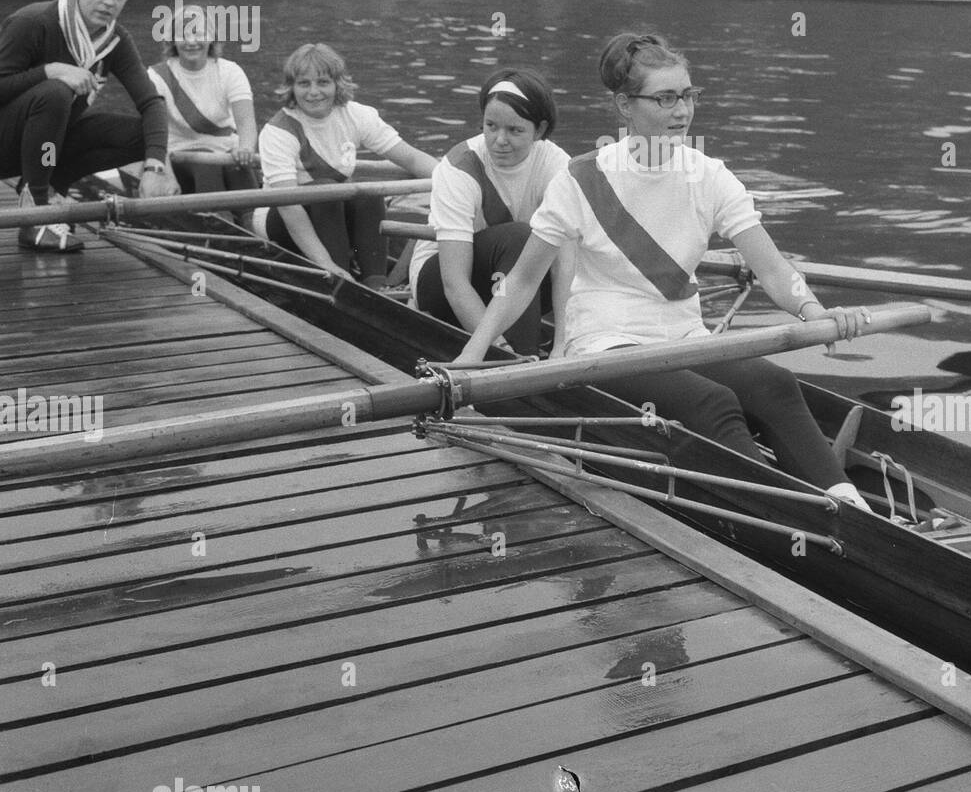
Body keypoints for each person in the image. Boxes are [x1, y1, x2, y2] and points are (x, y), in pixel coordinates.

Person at [454, 31, 875, 509]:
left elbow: (776, 272)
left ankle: (848, 505)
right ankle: (790, 514)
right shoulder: (581, 178)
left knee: (774, 385)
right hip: (605, 346)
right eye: (666, 98)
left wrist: (814, 311)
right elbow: (523, 281)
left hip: (684, 339)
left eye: (688, 95)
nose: (683, 111)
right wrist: (470, 361)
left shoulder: (710, 175)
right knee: (711, 403)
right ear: (624, 106)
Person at [0, 0, 179, 252]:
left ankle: (53, 185)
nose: (110, 2)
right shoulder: (32, 22)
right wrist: (50, 70)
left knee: (142, 135)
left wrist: (155, 165)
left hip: (42, 148)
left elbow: (152, 103)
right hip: (4, 141)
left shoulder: (116, 41)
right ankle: (35, 214)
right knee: (56, 91)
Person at [411, 69, 571, 355]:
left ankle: (533, 351)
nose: (499, 140)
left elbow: (565, 267)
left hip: (512, 283)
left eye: (515, 130)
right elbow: (454, 283)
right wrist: (498, 351)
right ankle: (522, 356)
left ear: (541, 130)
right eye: (491, 126)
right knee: (523, 238)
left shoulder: (556, 165)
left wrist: (562, 343)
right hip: (442, 285)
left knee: (565, 252)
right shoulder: (460, 166)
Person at [253, 43, 437, 286]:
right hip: (281, 219)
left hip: (331, 211)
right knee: (327, 190)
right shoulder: (279, 131)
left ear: (337, 84)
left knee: (369, 194)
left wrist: (453, 181)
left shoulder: (355, 115)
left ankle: (376, 283)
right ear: (292, 87)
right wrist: (325, 263)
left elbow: (411, 158)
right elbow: (289, 208)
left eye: (322, 82)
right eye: (304, 83)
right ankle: (339, 278)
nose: (314, 92)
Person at [148, 16, 258, 196]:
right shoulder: (156, 77)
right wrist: (165, 175)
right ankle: (218, 220)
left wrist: (245, 148)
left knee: (239, 169)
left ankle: (253, 217)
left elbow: (246, 123)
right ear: (172, 41)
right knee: (207, 168)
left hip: (227, 152)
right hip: (177, 154)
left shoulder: (230, 71)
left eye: (198, 34)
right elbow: (152, 132)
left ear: (211, 38)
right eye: (183, 35)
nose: (191, 42)